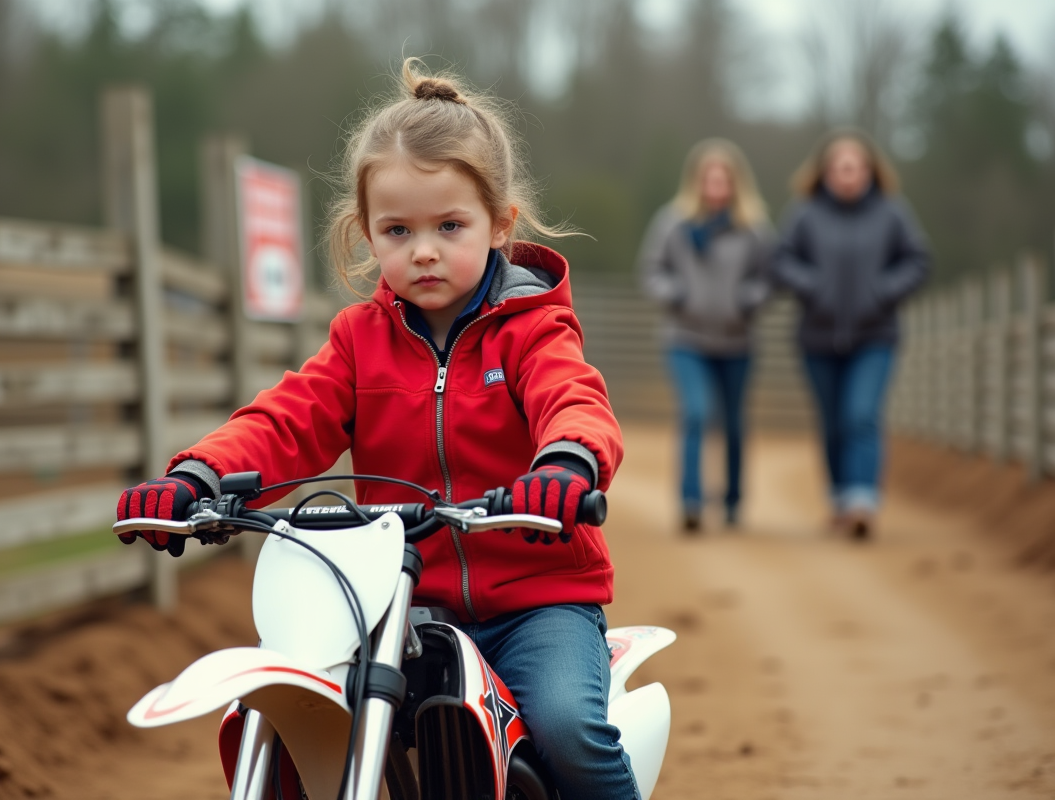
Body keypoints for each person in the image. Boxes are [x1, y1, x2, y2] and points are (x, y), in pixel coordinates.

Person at [115, 60, 637, 798]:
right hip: (395, 598)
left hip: (536, 600)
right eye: (398, 229)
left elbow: (573, 398)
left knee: (566, 727)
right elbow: (286, 418)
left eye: (449, 226)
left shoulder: (532, 329)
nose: (423, 250)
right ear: (367, 234)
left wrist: (567, 463)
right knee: (307, 707)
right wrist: (193, 476)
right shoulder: (358, 341)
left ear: (500, 224)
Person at [772, 129, 930, 540]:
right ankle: (841, 497)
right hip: (817, 339)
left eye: (855, 166)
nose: (848, 174)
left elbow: (918, 260)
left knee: (861, 414)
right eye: (840, 166)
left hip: (875, 336)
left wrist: (883, 290)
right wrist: (812, 286)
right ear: (824, 172)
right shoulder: (804, 213)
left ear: (869, 171)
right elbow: (781, 261)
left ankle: (863, 500)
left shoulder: (893, 212)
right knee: (832, 422)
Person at [637, 139, 775, 533]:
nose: (716, 187)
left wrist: (749, 299)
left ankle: (732, 502)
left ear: (735, 183)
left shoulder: (754, 227)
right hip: (686, 338)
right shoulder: (672, 223)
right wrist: (675, 294)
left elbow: (769, 277)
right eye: (708, 179)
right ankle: (691, 502)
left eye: (723, 180)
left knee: (733, 423)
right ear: (696, 182)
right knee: (696, 414)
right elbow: (651, 271)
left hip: (738, 340)